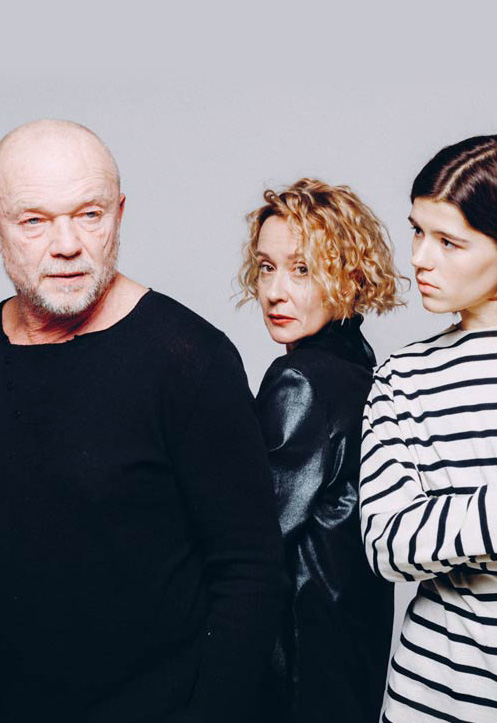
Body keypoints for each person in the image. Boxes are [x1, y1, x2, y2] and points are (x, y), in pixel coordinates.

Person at [0, 119, 284, 723]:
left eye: (89, 214)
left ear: (120, 214)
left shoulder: (190, 359)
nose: (67, 244)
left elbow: (251, 573)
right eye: (34, 220)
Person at [238, 178, 402, 723]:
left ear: (350, 277)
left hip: (295, 664)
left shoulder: (301, 379)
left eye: (302, 269)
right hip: (349, 656)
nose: (274, 291)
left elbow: (253, 538)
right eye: (266, 267)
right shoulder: (362, 368)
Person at [360, 134, 497, 722]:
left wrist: (451, 523)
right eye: (418, 231)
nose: (419, 258)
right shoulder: (403, 376)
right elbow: (388, 544)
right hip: (432, 697)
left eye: (449, 242)